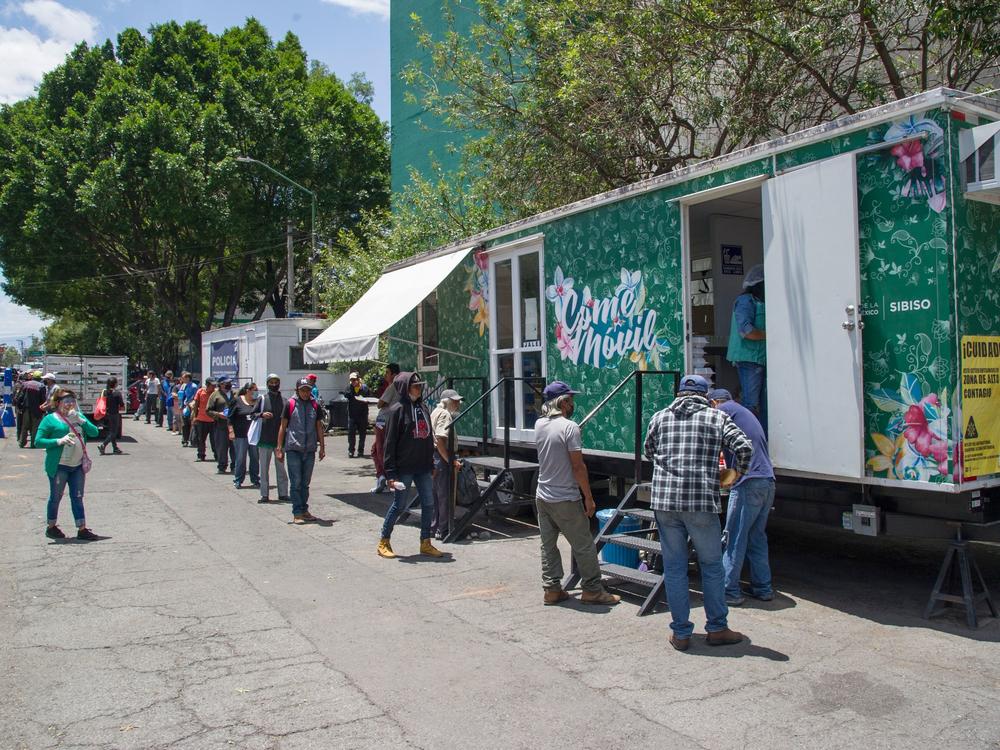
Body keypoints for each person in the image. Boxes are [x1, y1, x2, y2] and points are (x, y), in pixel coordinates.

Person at [644, 374, 753, 651]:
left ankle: (681, 633)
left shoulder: (659, 417)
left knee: (675, 568)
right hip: (701, 502)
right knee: (712, 566)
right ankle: (717, 628)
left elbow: (649, 451)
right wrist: (736, 473)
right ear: (705, 395)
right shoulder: (715, 417)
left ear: (679, 393)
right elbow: (743, 446)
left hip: (665, 502)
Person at [532, 381, 620, 606]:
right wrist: (588, 498)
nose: (573, 404)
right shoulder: (570, 427)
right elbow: (578, 466)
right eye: (570, 400)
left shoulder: (539, 424)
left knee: (547, 544)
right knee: (584, 544)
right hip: (565, 497)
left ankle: (551, 589)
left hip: (543, 494)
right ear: (562, 402)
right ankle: (592, 589)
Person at [708, 388, 776, 606]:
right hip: (767, 481)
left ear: (715, 402)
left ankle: (730, 591)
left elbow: (709, 444)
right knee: (756, 537)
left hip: (748, 483)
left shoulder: (723, 411)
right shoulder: (743, 412)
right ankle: (763, 588)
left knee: (735, 537)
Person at [376, 371, 444, 559]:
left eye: (420, 385)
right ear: (405, 388)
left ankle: (425, 542)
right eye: (415, 386)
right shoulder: (396, 410)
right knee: (399, 505)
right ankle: (384, 541)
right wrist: (390, 474)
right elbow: (389, 444)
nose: (419, 388)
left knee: (429, 504)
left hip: (422, 467)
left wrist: (431, 463)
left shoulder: (422, 407)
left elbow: (428, 437)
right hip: (403, 468)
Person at [34, 388, 101, 541]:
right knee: (56, 497)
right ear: (58, 403)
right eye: (66, 401)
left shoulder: (78, 416)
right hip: (59, 466)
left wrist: (81, 419)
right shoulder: (50, 419)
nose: (70, 404)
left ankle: (82, 528)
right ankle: (51, 527)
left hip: (77, 466)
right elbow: (38, 441)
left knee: (77, 497)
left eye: (72, 400)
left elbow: (94, 433)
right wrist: (58, 441)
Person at [275, 378, 326, 524]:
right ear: (297, 390)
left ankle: (304, 509)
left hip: (309, 449)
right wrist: (279, 448)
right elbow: (283, 426)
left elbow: (319, 427)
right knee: (296, 482)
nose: (305, 393)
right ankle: (297, 512)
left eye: (308, 390)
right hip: (293, 449)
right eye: (303, 390)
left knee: (305, 482)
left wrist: (322, 447)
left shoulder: (315, 405)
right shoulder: (290, 404)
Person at [726, 263, 767, 433]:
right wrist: (771, 335)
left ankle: (764, 439)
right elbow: (746, 331)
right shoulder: (745, 302)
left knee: (765, 403)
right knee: (751, 403)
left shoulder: (760, 302)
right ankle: (747, 439)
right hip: (749, 359)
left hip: (761, 358)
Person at [430, 389, 464, 540]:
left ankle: (436, 526)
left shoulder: (435, 412)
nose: (458, 404)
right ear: (446, 401)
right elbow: (440, 440)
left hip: (435, 458)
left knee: (437, 495)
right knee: (445, 495)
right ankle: (443, 528)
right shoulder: (444, 414)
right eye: (455, 401)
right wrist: (450, 461)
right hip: (442, 459)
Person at [256, 374, 290, 504]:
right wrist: (261, 414)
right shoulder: (262, 399)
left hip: (279, 441)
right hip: (264, 439)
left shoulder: (285, 401)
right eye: (271, 382)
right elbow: (252, 415)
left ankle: (283, 493)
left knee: (281, 468)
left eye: (276, 382)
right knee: (264, 468)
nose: (274, 384)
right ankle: (264, 494)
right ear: (267, 384)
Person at [370, 363, 401, 493]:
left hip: (383, 420)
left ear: (394, 374)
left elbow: (379, 404)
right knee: (377, 449)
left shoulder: (393, 386)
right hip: (390, 421)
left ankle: (386, 477)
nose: (385, 375)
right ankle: (382, 476)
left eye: (387, 372)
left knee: (379, 449)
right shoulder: (400, 387)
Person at [229, 382, 261, 490]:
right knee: (240, 458)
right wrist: (231, 431)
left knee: (255, 457)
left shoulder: (258, 402)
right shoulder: (237, 401)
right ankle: (238, 479)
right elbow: (230, 418)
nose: (256, 392)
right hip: (240, 435)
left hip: (254, 436)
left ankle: (255, 479)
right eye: (254, 390)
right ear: (248, 390)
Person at [206, 377, 232, 473]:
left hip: (234, 425)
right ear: (221, 384)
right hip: (221, 425)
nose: (229, 384)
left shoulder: (235, 394)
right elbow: (208, 410)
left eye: (230, 382)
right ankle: (222, 466)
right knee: (222, 446)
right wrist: (218, 414)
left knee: (235, 447)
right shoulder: (215, 395)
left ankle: (235, 466)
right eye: (226, 383)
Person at [342, 371, 371, 458]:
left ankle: (360, 451)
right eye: (351, 380)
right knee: (351, 433)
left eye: (354, 380)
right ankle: (351, 451)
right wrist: (352, 391)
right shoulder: (349, 387)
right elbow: (346, 394)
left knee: (362, 434)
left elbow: (369, 395)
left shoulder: (364, 387)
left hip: (362, 414)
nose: (353, 382)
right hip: (352, 414)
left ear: (358, 379)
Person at [15, 372, 45, 448]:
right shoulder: (41, 386)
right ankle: (33, 444)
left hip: (26, 409)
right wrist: (43, 410)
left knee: (25, 426)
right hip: (37, 410)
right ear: (40, 378)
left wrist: (19, 406)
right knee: (35, 427)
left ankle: (22, 443)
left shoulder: (25, 384)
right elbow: (43, 399)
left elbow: (20, 397)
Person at [190, 378, 217, 462]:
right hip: (201, 419)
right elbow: (196, 405)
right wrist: (194, 417)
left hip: (213, 420)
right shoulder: (200, 392)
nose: (214, 387)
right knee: (201, 439)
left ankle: (217, 455)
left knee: (215, 440)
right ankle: (201, 455)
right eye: (212, 385)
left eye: (214, 385)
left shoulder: (215, 393)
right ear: (207, 385)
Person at [98, 377, 125, 455]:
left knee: (111, 431)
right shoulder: (117, 393)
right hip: (114, 414)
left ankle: (115, 448)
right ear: (115, 384)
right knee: (114, 432)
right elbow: (122, 405)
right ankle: (103, 445)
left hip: (106, 414)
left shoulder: (105, 392)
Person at [176, 372, 199, 446]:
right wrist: (181, 405)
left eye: (183, 377)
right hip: (185, 406)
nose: (182, 379)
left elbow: (195, 398)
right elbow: (181, 395)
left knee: (192, 423)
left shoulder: (194, 386)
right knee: (185, 424)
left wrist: (191, 405)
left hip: (191, 406)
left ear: (188, 378)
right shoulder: (183, 385)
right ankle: (185, 440)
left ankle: (193, 440)